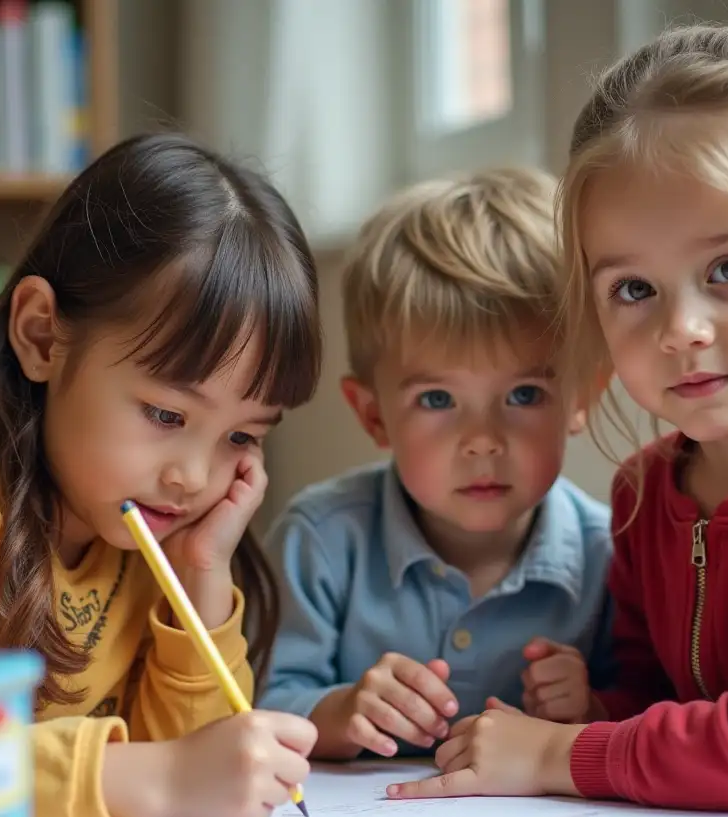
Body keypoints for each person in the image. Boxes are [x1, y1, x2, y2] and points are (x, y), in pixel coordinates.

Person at [386, 23, 728, 815]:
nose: (682, 328)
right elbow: (658, 703)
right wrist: (593, 708)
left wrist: (556, 753)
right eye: (635, 290)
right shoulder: (647, 493)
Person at [0, 132, 323, 817]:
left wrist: (201, 573)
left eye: (242, 437)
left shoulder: (151, 533)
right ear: (41, 336)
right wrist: (157, 778)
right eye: (165, 413)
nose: (193, 476)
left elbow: (212, 781)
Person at [256, 168, 615, 759]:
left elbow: (647, 708)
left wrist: (591, 709)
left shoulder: (609, 557)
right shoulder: (319, 540)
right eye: (437, 400)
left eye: (523, 395)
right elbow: (255, 703)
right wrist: (338, 713)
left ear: (581, 399)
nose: (482, 440)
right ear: (373, 415)